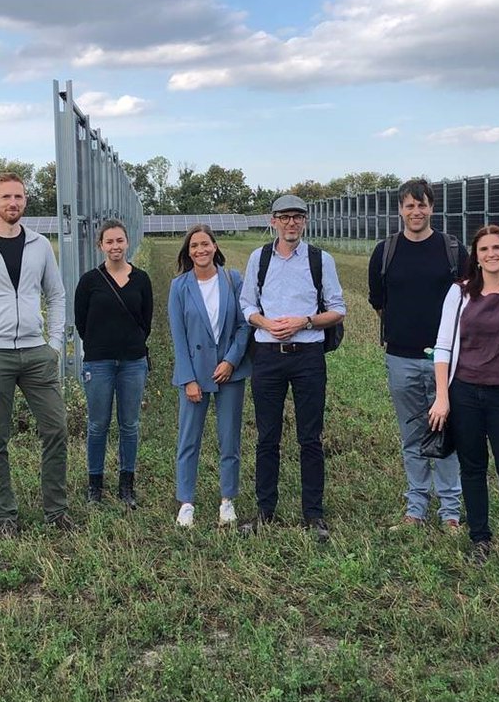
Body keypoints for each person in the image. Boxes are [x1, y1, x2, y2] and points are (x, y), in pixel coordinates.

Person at [0, 172, 72, 536]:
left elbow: (56, 295)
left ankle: (56, 510)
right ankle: (6, 514)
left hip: (37, 352)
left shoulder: (39, 245)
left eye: (19, 197)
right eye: (6, 197)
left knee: (56, 428)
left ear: (25, 201)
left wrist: (53, 345)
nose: (13, 203)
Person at [239, 194, 346, 540]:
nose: (290, 223)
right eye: (284, 217)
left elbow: (338, 309)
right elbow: (247, 305)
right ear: (272, 221)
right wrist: (266, 324)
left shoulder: (320, 259)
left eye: (297, 217)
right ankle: (265, 510)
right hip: (268, 356)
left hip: (308, 357)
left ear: (305, 221)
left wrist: (306, 321)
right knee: (267, 437)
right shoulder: (259, 258)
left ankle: (313, 514)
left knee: (310, 438)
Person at [429, 225, 499, 564]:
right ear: (475, 257)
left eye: (497, 248)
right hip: (464, 393)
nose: (491, 254)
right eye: (484, 249)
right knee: (472, 468)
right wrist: (442, 396)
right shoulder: (459, 293)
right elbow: (443, 346)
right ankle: (480, 538)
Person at [368, 177, 465, 532]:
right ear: (400, 209)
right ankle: (416, 508)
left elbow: (467, 301)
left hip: (446, 360)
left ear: (432, 208)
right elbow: (378, 302)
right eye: (409, 205)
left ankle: (451, 512)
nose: (416, 211)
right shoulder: (386, 251)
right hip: (401, 359)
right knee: (412, 435)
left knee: (446, 433)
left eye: (422, 205)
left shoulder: (452, 249)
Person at [168, 224, 252, 527]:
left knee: (229, 438)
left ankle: (227, 499)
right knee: (188, 440)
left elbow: (244, 325)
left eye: (205, 244)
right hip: (195, 373)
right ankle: (186, 501)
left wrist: (230, 361)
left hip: (229, 372)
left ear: (215, 247)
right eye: (194, 246)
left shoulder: (233, 280)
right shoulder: (180, 286)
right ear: (188, 252)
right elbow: (178, 337)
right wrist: (188, 379)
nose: (200, 250)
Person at [74, 219, 153, 509]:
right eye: (109, 242)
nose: (115, 246)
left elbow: (146, 320)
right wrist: (101, 345)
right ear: (101, 246)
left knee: (129, 424)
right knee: (98, 424)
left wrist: (129, 344)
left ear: (127, 242)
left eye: (120, 240)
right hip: (99, 362)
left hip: (133, 361)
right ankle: (95, 485)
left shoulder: (141, 279)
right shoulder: (89, 281)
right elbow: (81, 321)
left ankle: (126, 485)